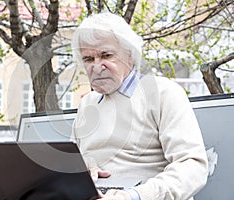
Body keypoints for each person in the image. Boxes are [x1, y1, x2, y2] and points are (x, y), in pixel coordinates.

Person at [70, 12, 208, 200]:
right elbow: (73, 162)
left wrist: (134, 196)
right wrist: (82, 167)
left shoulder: (163, 93)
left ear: (130, 54)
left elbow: (193, 166)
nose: (96, 66)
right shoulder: (87, 103)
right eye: (88, 59)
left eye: (106, 55)